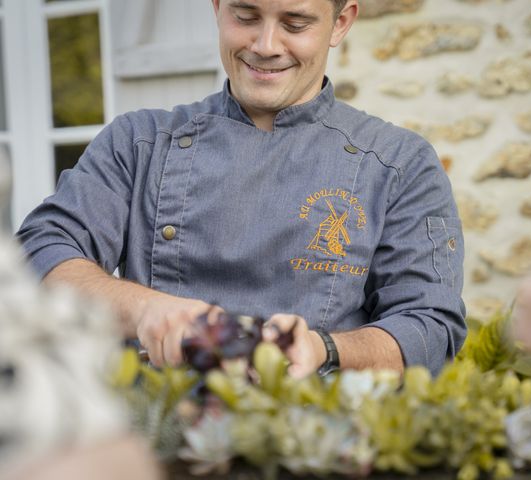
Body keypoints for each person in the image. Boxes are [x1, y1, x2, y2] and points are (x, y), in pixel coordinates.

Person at [17, 0, 466, 378]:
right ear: (216, 7)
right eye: (245, 16)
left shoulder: (400, 164)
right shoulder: (138, 143)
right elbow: (41, 252)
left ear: (341, 22)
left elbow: (429, 326)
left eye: (295, 23)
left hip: (315, 438)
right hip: (154, 433)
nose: (265, 46)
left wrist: (322, 348)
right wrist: (147, 310)